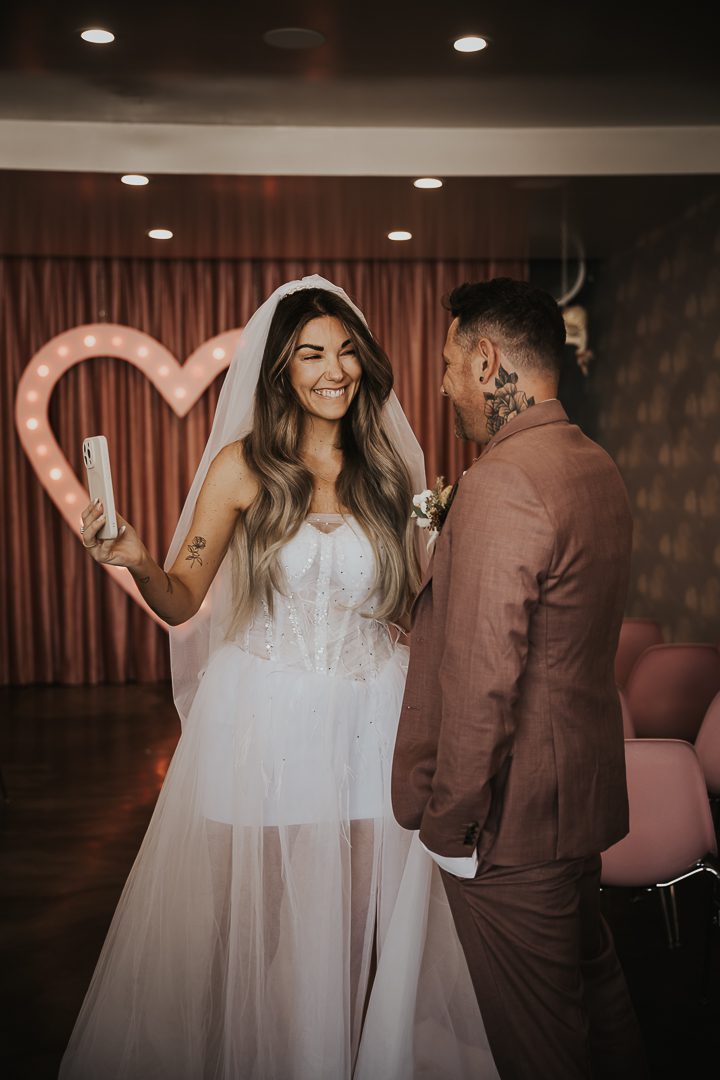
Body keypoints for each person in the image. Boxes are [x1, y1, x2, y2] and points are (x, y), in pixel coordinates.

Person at [61, 277, 499, 1080]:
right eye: (312, 354)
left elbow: (404, 603)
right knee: (277, 928)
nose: (336, 369)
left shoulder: (390, 469)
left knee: (367, 924)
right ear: (281, 371)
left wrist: (442, 544)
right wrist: (133, 561)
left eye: (346, 351)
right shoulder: (242, 467)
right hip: (270, 719)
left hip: (375, 716)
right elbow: (182, 596)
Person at [391, 278, 649, 1079]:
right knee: (599, 1012)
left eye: (447, 364)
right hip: (577, 807)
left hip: (510, 832)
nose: (442, 385)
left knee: (539, 1049)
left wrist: (451, 831)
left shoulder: (501, 480)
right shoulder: (592, 462)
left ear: (487, 359)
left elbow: (483, 682)